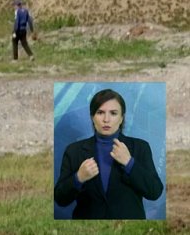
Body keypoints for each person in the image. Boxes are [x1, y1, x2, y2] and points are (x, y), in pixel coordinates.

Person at [54, 89, 164, 219]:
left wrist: (129, 163)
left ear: (122, 117)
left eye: (113, 113)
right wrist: (79, 178)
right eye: (100, 112)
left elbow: (154, 191)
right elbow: (60, 199)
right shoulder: (74, 151)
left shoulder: (140, 147)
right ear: (92, 117)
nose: (106, 119)